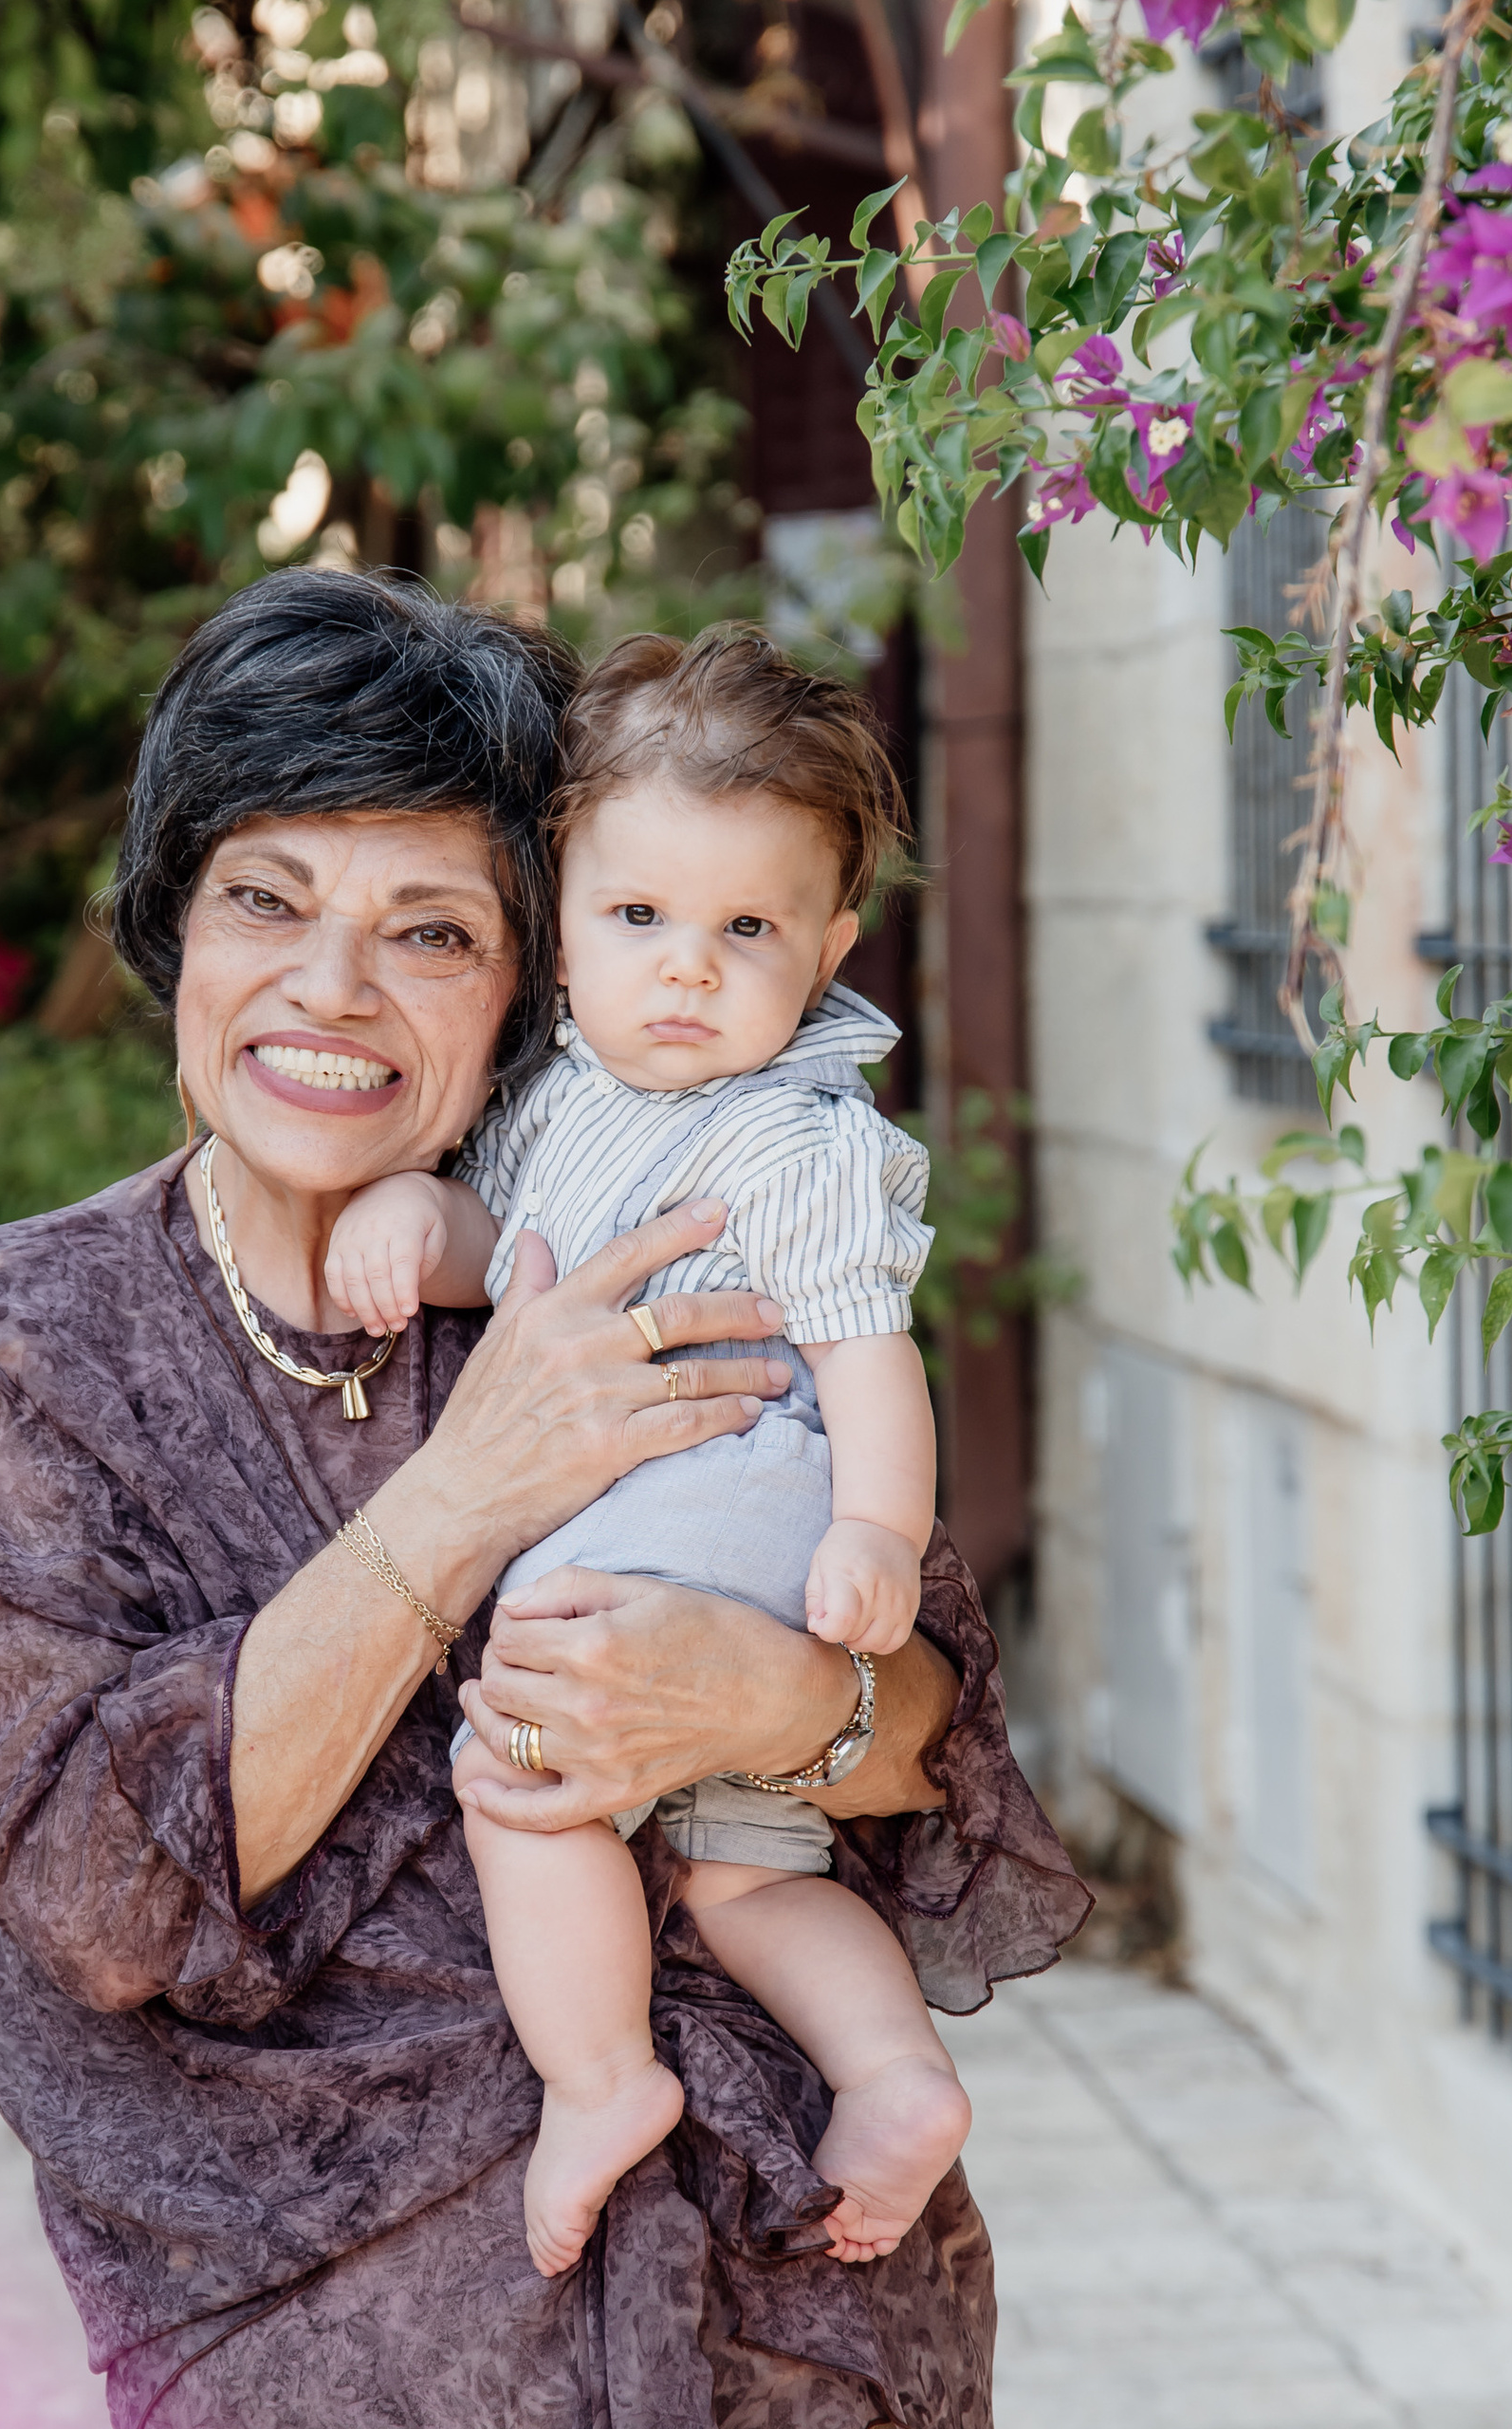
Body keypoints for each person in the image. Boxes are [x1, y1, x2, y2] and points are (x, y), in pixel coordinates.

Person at [0, 568, 1091, 2429]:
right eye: (263, 899)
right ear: (169, 927)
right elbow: (102, 1896)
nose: (330, 990)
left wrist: (770, 1700)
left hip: (787, 2320)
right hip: (346, 2353)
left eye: (429, 930)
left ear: (529, 970)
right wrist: (464, 1495)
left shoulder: (644, 1235)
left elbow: (933, 1737)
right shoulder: (14, 1349)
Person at [322, 628, 968, 2283]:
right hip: (715, 1534)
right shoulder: (561, 1095)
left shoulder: (793, 1136)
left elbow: (864, 1354)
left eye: (744, 930)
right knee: (747, 1873)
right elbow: (505, 1244)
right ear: (563, 926)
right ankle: (895, 2077)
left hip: (722, 1493)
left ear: (828, 950)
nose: (687, 969)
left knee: (527, 1784)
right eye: (640, 919)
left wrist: (884, 1530)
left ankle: (601, 2080)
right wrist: (418, 1216)